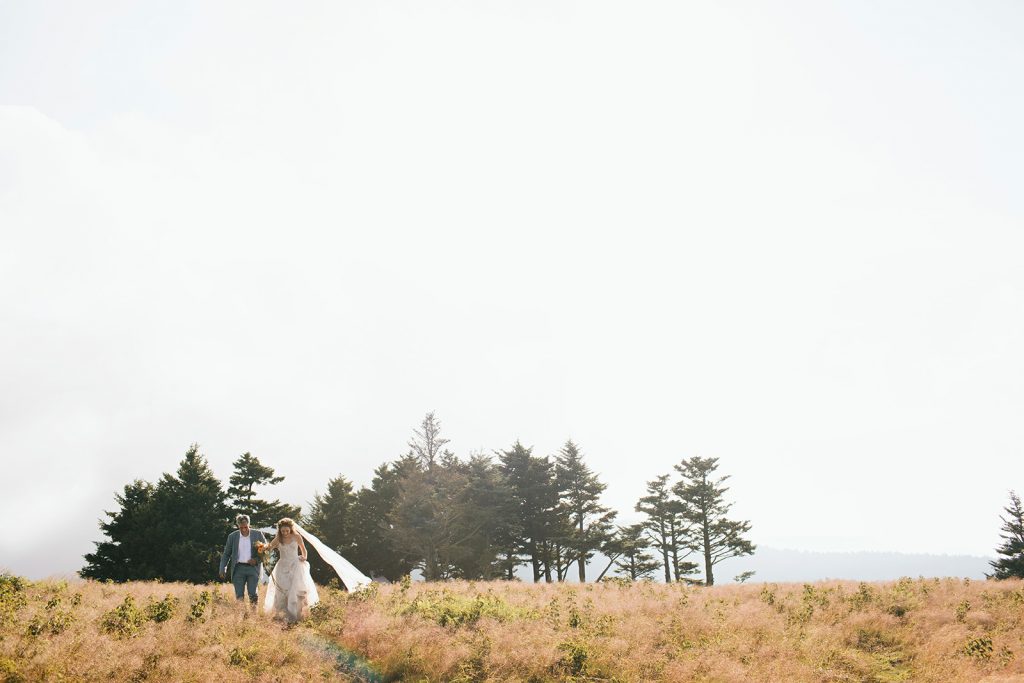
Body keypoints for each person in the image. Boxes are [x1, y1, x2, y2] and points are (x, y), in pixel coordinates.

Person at [263, 517, 319, 623]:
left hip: (295, 565)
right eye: (283, 531)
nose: (285, 533)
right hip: (282, 566)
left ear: (291, 529)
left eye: (287, 530)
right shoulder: (278, 538)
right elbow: (270, 548)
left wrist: (304, 557)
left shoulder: (297, 536)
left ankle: (296, 616)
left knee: (295, 590)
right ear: (280, 530)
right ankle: (282, 616)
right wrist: (263, 548)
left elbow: (303, 549)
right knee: (282, 591)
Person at [219, 514, 268, 605]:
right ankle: (240, 616)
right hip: (238, 569)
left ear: (249, 524)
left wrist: (256, 560)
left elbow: (266, 551)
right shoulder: (232, 536)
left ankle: (254, 616)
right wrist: (223, 568)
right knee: (239, 595)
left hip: (253, 568)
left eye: (245, 527)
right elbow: (226, 554)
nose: (243, 529)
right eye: (241, 527)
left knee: (253, 594)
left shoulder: (258, 534)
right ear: (238, 526)